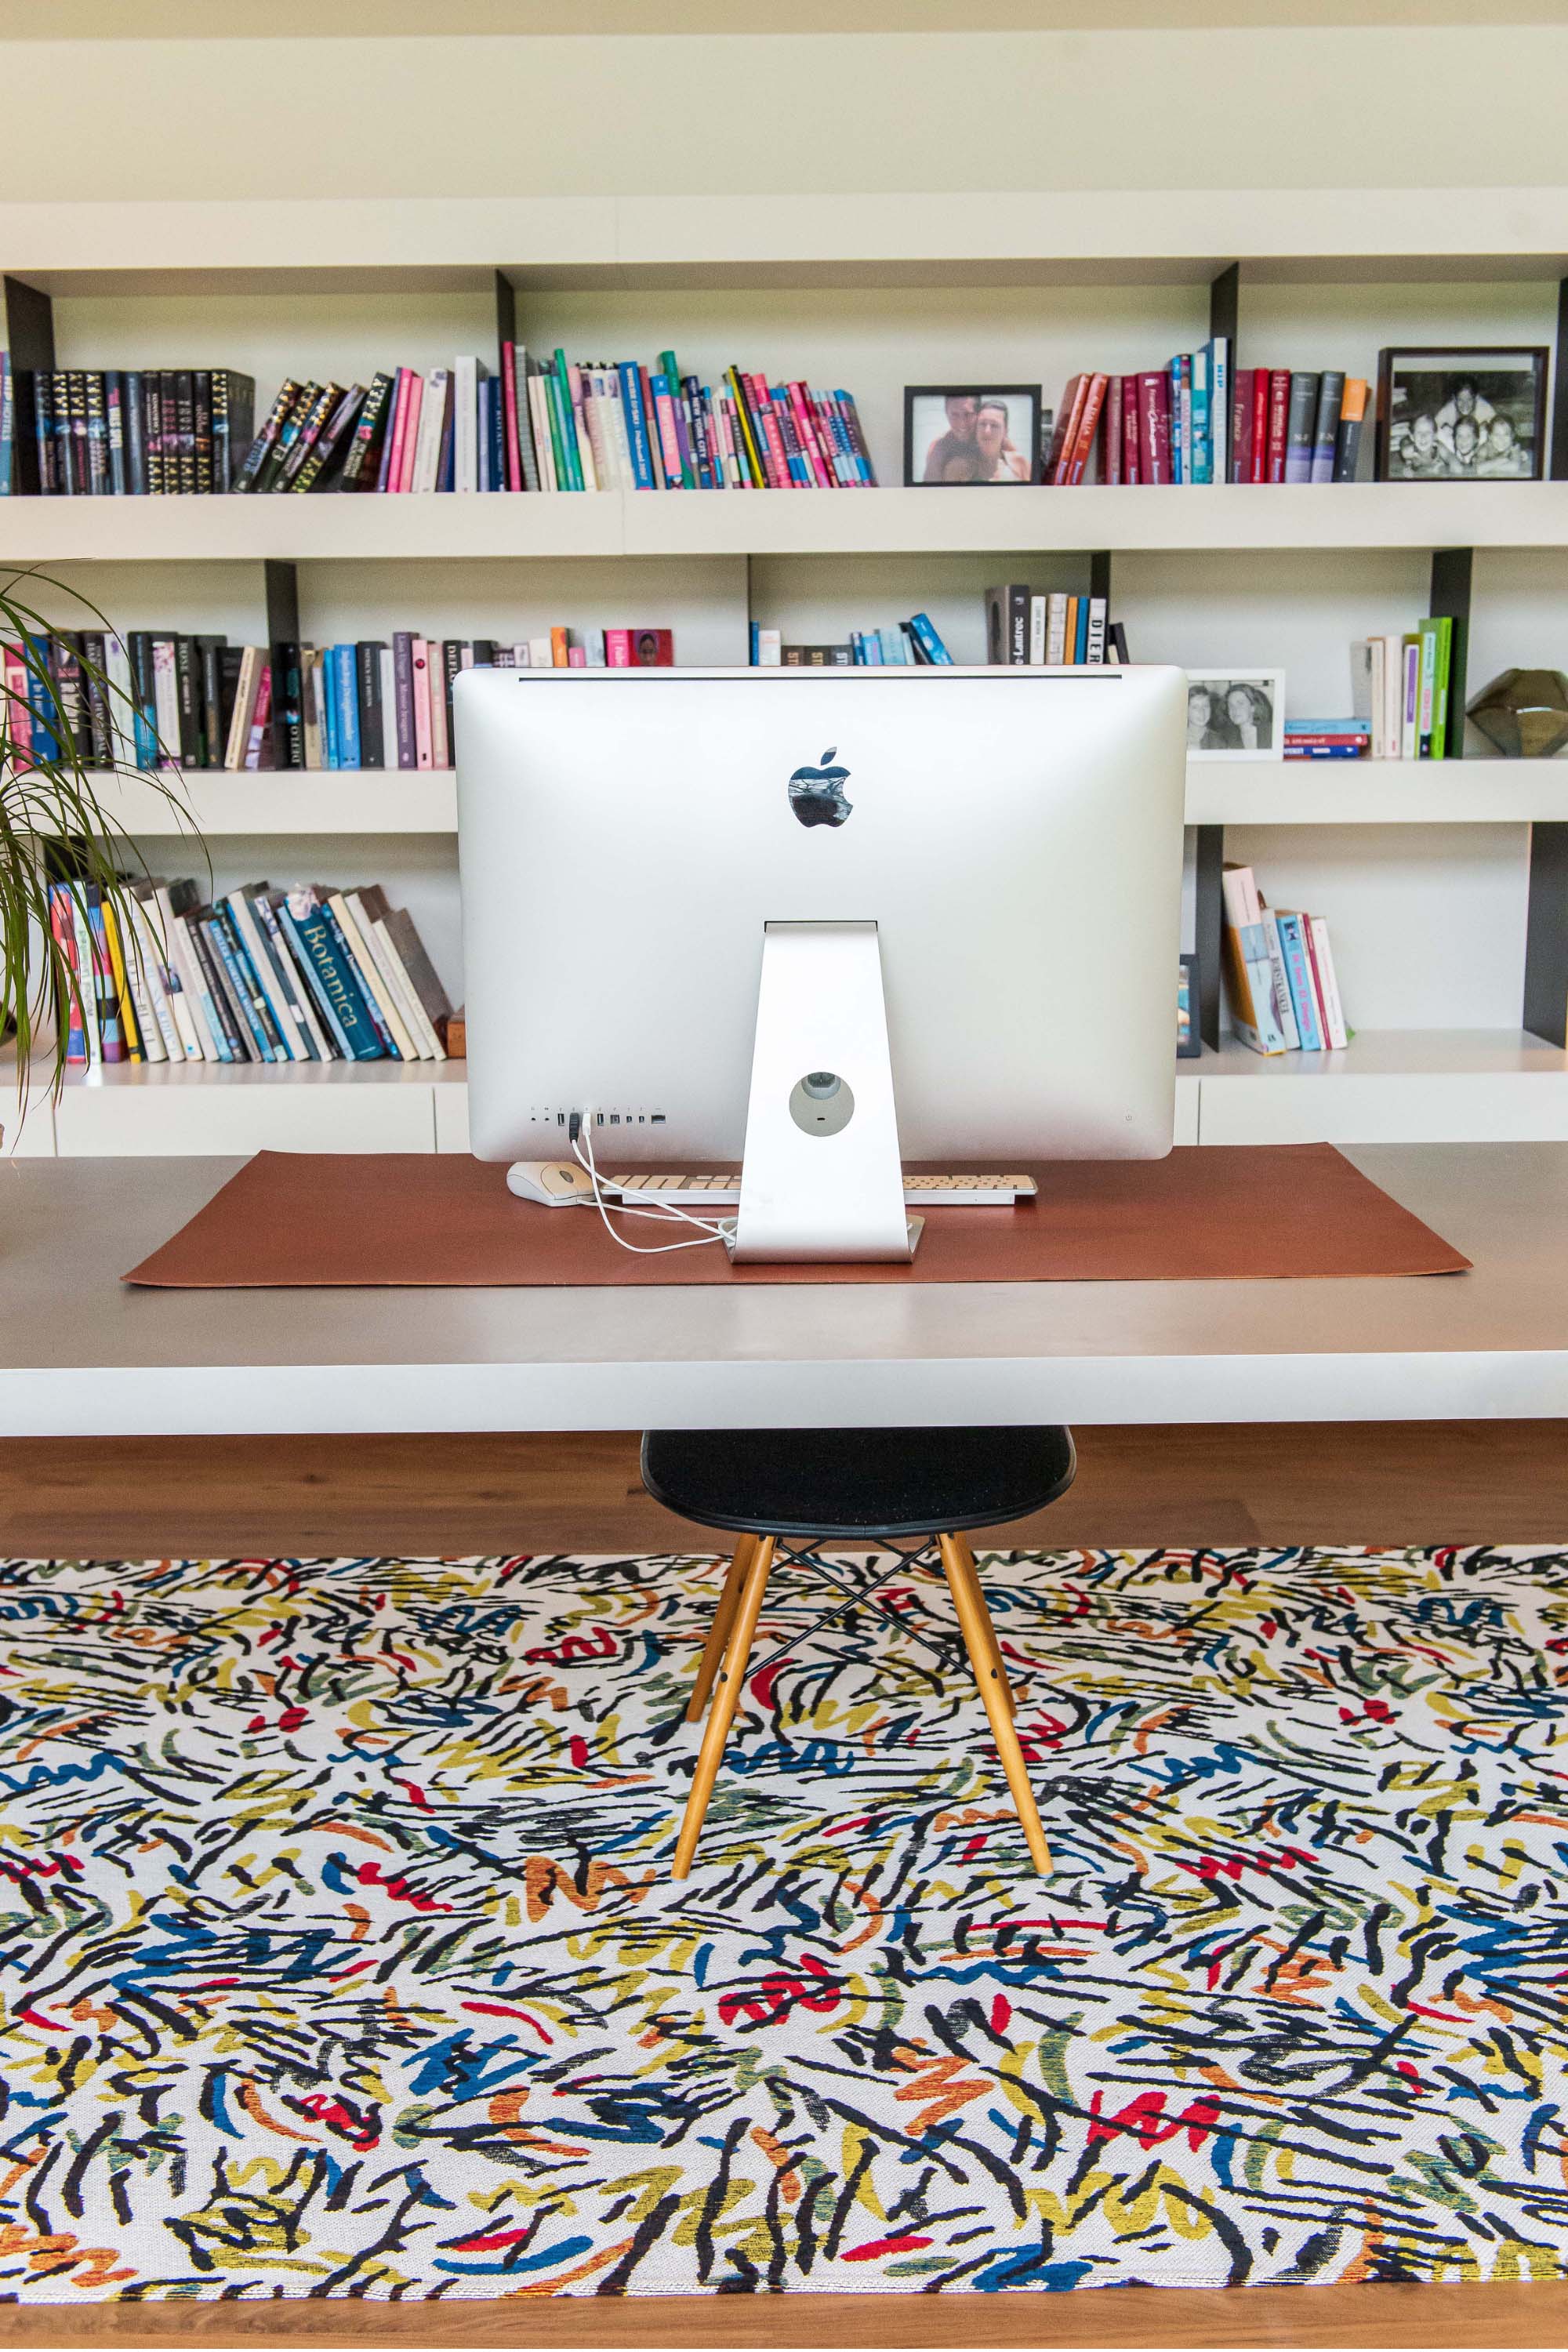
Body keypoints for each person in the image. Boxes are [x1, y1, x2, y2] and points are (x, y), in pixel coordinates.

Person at [921, 394, 980, 483]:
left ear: (978, 414)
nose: (962, 423)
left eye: (968, 414)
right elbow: (929, 492)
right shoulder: (938, 449)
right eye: (955, 415)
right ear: (946, 414)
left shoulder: (991, 439)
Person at [973, 396, 1032, 482]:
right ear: (975, 429)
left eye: (994, 425)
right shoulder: (961, 467)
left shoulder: (1019, 464)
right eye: (982, 424)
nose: (987, 431)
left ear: (1005, 432)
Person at [1476, 412, 1532, 477]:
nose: (1501, 439)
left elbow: (1514, 467)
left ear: (1512, 436)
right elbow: (1479, 469)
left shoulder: (1514, 446)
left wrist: (1488, 467)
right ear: (1490, 437)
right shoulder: (1485, 448)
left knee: (1527, 455)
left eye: (1506, 435)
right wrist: (1503, 459)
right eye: (1497, 435)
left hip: (1522, 447)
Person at [1396, 412, 1449, 478]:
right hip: (1408, 443)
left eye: (1428, 432)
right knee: (1404, 442)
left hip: (1436, 442)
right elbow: (1405, 453)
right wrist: (1411, 466)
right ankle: (1409, 437)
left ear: (1435, 436)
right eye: (1419, 432)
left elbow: (1454, 463)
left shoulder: (1439, 447)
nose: (1423, 436)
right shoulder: (1409, 451)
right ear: (1412, 437)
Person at [1188, 684, 1239, 750]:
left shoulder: (1220, 741)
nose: (1202, 712)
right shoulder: (1176, 738)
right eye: (1195, 707)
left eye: (1205, 706)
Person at [1225, 682, 1271, 752]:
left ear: (1253, 707)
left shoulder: (1271, 732)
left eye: (1240, 703)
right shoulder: (1229, 740)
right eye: (1231, 705)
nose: (1234, 709)